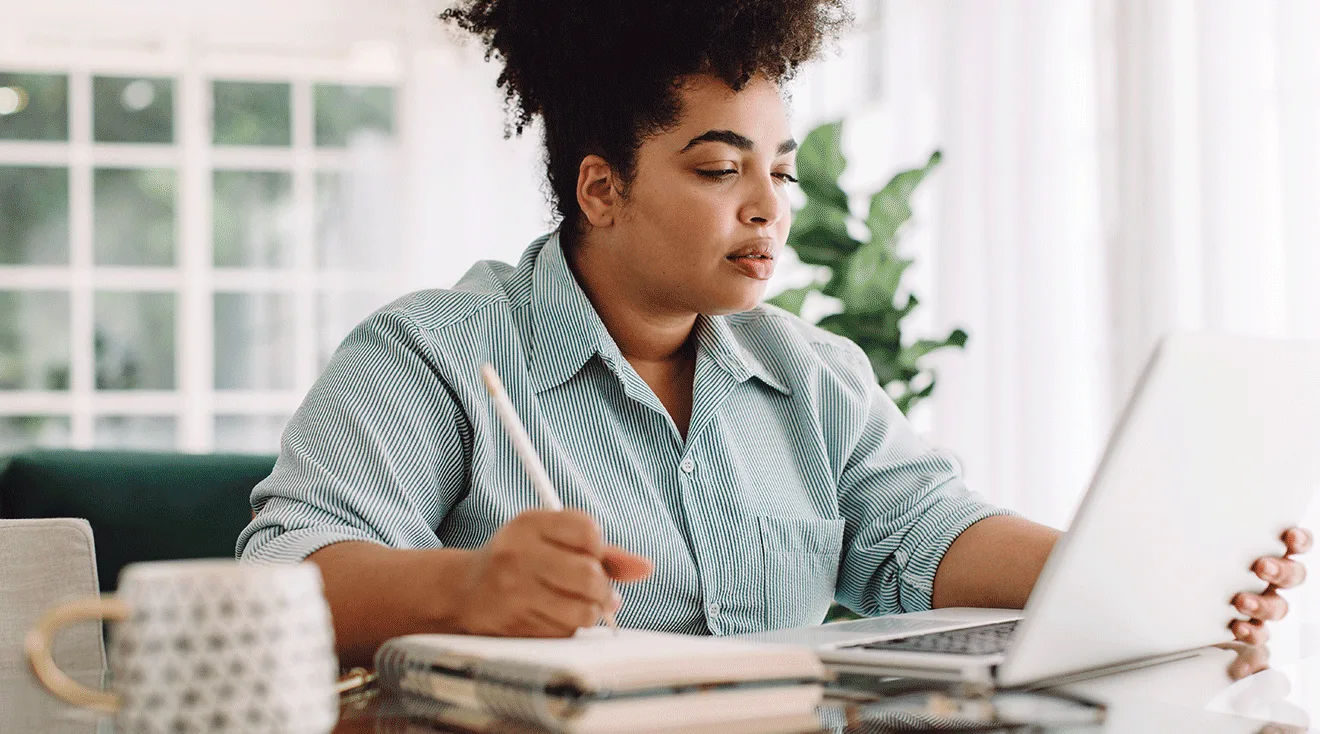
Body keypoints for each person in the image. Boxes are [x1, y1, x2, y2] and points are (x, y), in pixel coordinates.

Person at [236, 0, 1310, 668]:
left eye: (780, 168)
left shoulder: (813, 373)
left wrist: (1126, 572)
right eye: (718, 168)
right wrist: (465, 588)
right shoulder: (432, 354)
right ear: (601, 188)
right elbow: (280, 575)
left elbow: (926, 533)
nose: (769, 206)